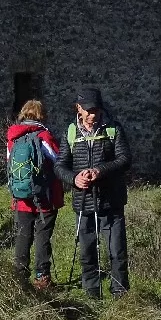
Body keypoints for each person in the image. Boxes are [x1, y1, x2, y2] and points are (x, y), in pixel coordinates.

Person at [55, 87, 131, 298]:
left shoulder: (113, 129)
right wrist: (74, 179)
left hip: (112, 201)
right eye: (87, 110)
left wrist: (100, 170)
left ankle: (120, 295)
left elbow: (125, 159)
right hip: (84, 203)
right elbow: (60, 166)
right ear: (78, 108)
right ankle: (92, 295)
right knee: (87, 253)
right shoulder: (70, 132)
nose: (92, 115)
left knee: (116, 252)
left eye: (96, 110)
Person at [6, 99, 64, 289]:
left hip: (21, 198)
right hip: (44, 197)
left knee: (23, 236)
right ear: (42, 115)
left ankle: (20, 276)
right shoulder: (44, 136)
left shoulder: (13, 137)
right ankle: (42, 277)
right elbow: (58, 161)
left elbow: (10, 164)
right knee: (42, 236)